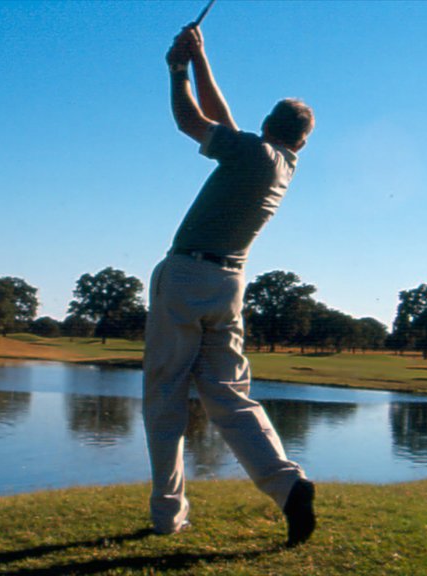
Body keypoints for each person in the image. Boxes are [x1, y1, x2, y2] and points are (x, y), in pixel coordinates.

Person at [142, 23, 316, 547]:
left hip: (187, 276)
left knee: (165, 397)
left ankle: (168, 514)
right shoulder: (280, 162)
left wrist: (176, 70)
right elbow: (225, 122)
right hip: (228, 285)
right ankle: (288, 487)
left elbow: (190, 119)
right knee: (230, 396)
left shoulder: (251, 152)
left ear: (267, 124)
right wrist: (200, 57)